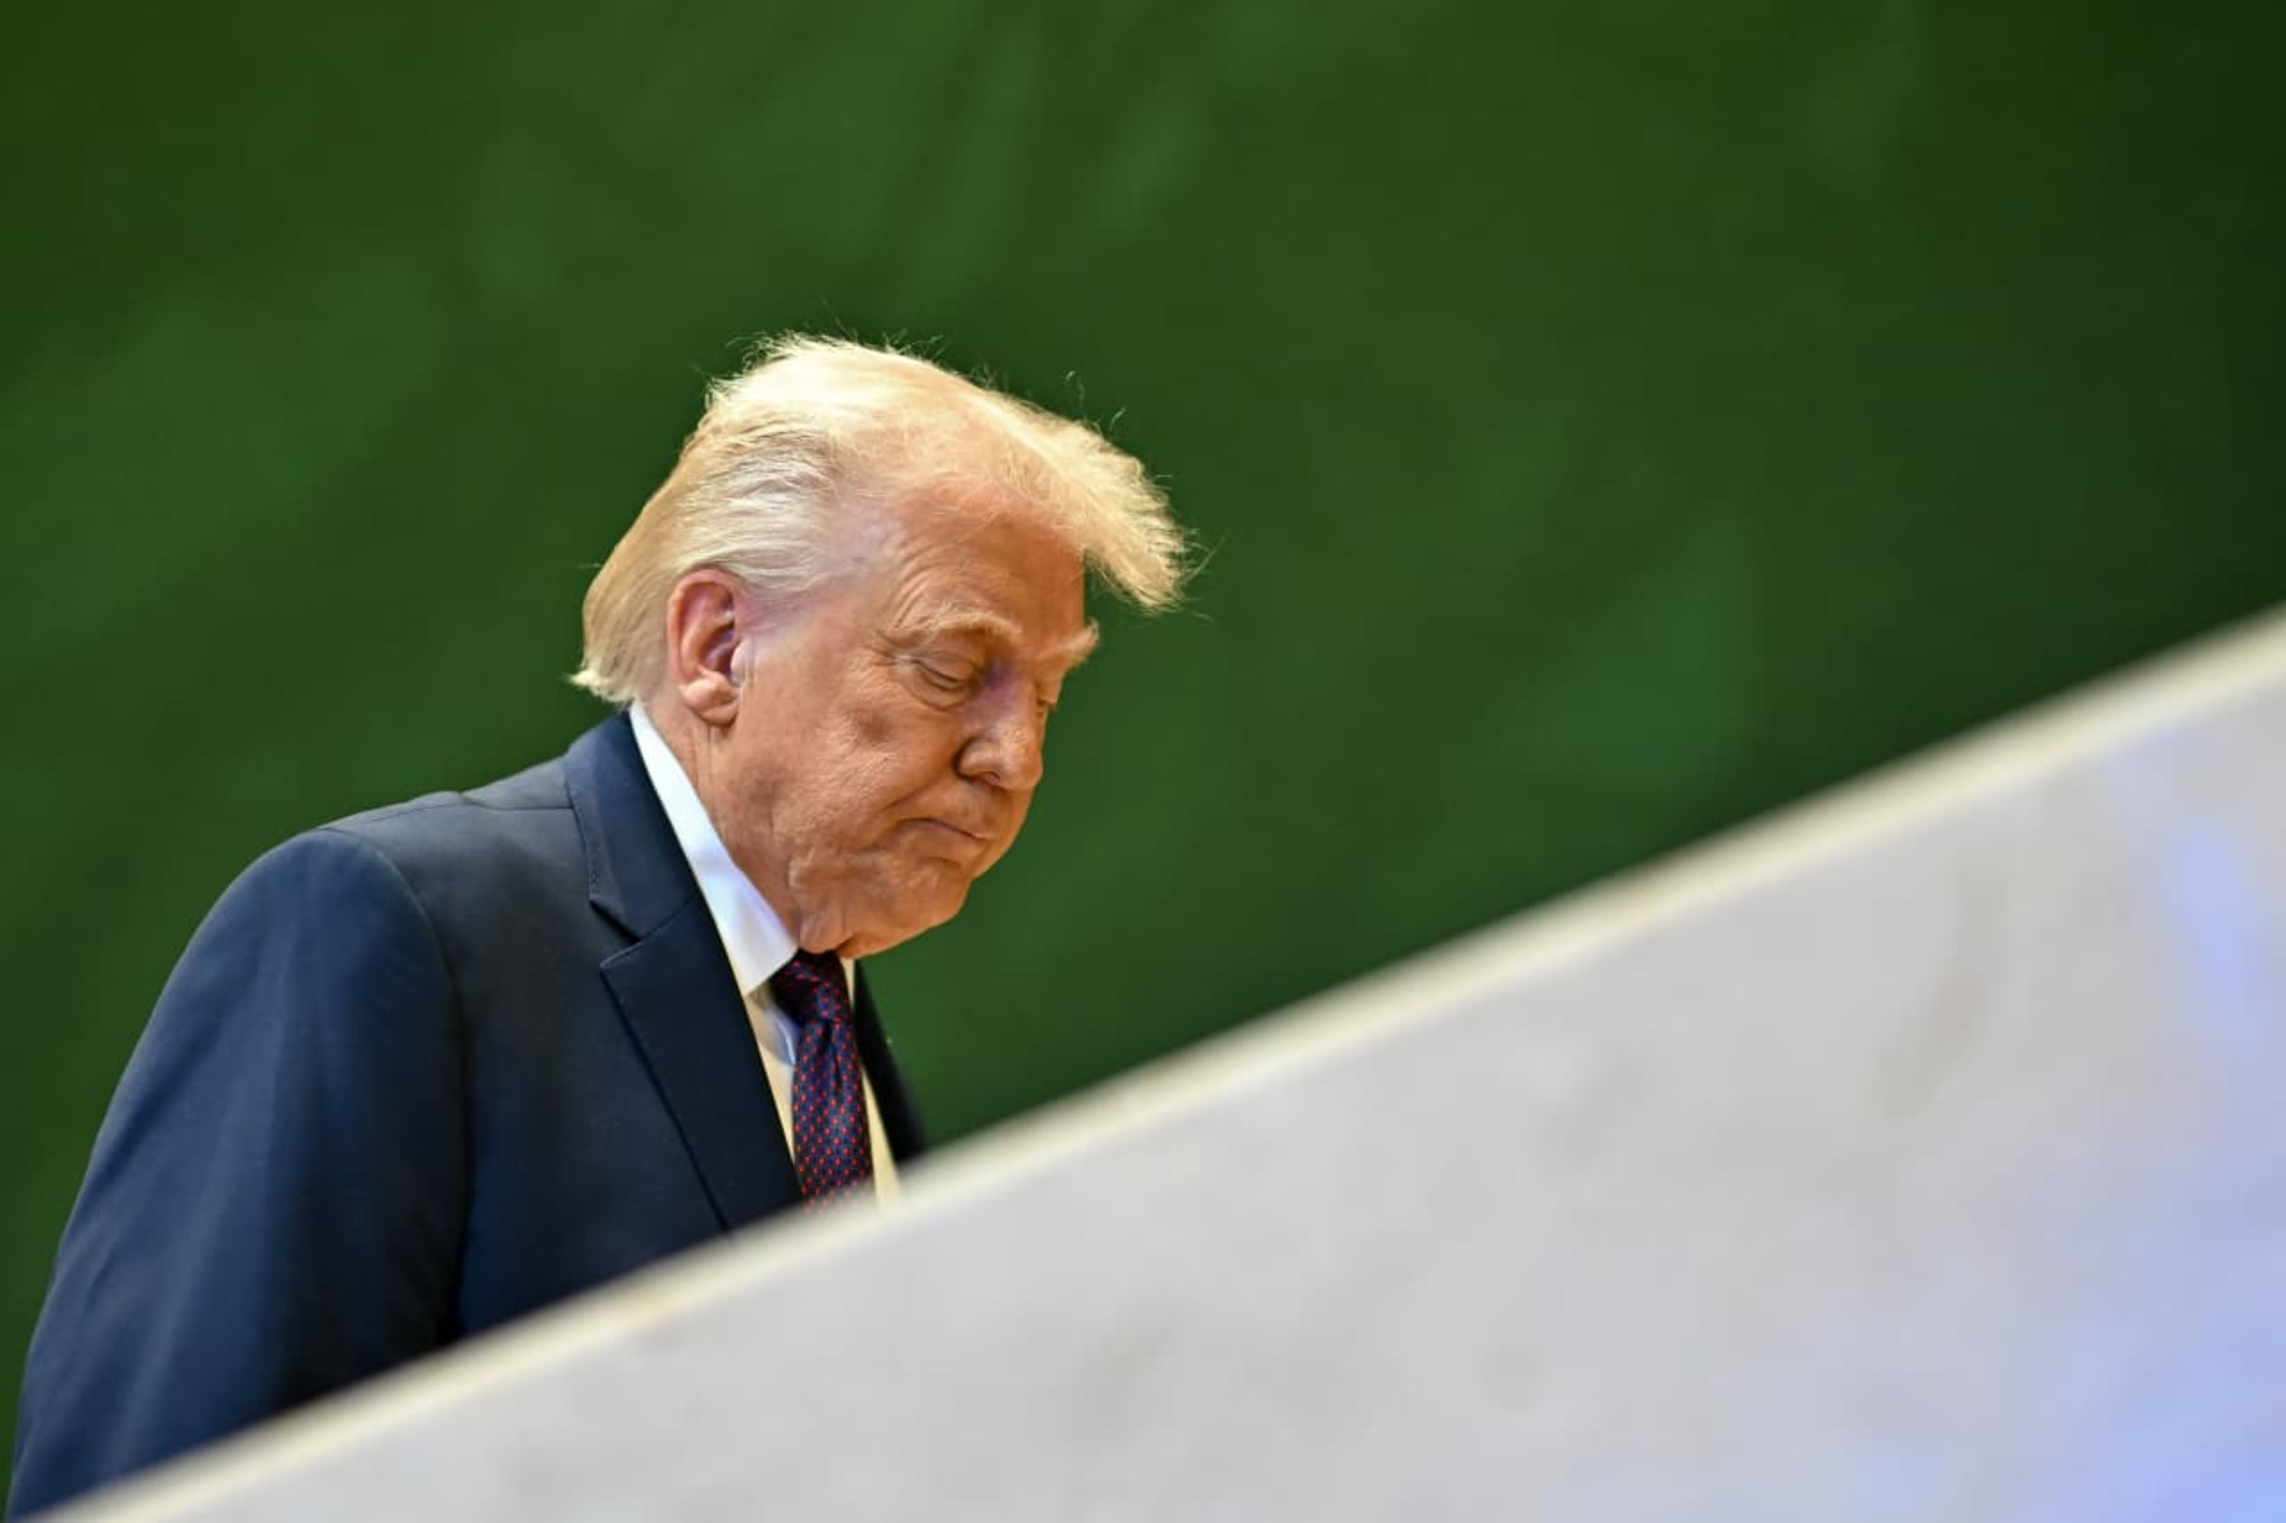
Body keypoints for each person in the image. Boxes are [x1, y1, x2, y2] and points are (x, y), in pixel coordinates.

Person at [7, 337, 1189, 1517]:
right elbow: (162, 1485)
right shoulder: (394, 926)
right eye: (952, 667)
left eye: (1045, 693)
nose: (1016, 757)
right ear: (717, 646)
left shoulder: (824, 1022)